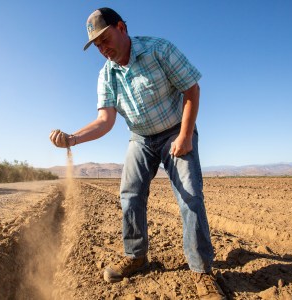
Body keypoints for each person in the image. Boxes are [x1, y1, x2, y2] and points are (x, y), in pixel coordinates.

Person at [49, 7, 225, 300]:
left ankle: (202, 272)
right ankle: (136, 256)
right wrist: (72, 139)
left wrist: (184, 135)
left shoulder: (159, 49)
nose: (103, 49)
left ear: (121, 28)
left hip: (175, 130)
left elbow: (191, 89)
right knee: (129, 194)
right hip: (141, 138)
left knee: (190, 197)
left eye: (105, 39)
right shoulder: (107, 75)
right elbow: (105, 121)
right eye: (97, 46)